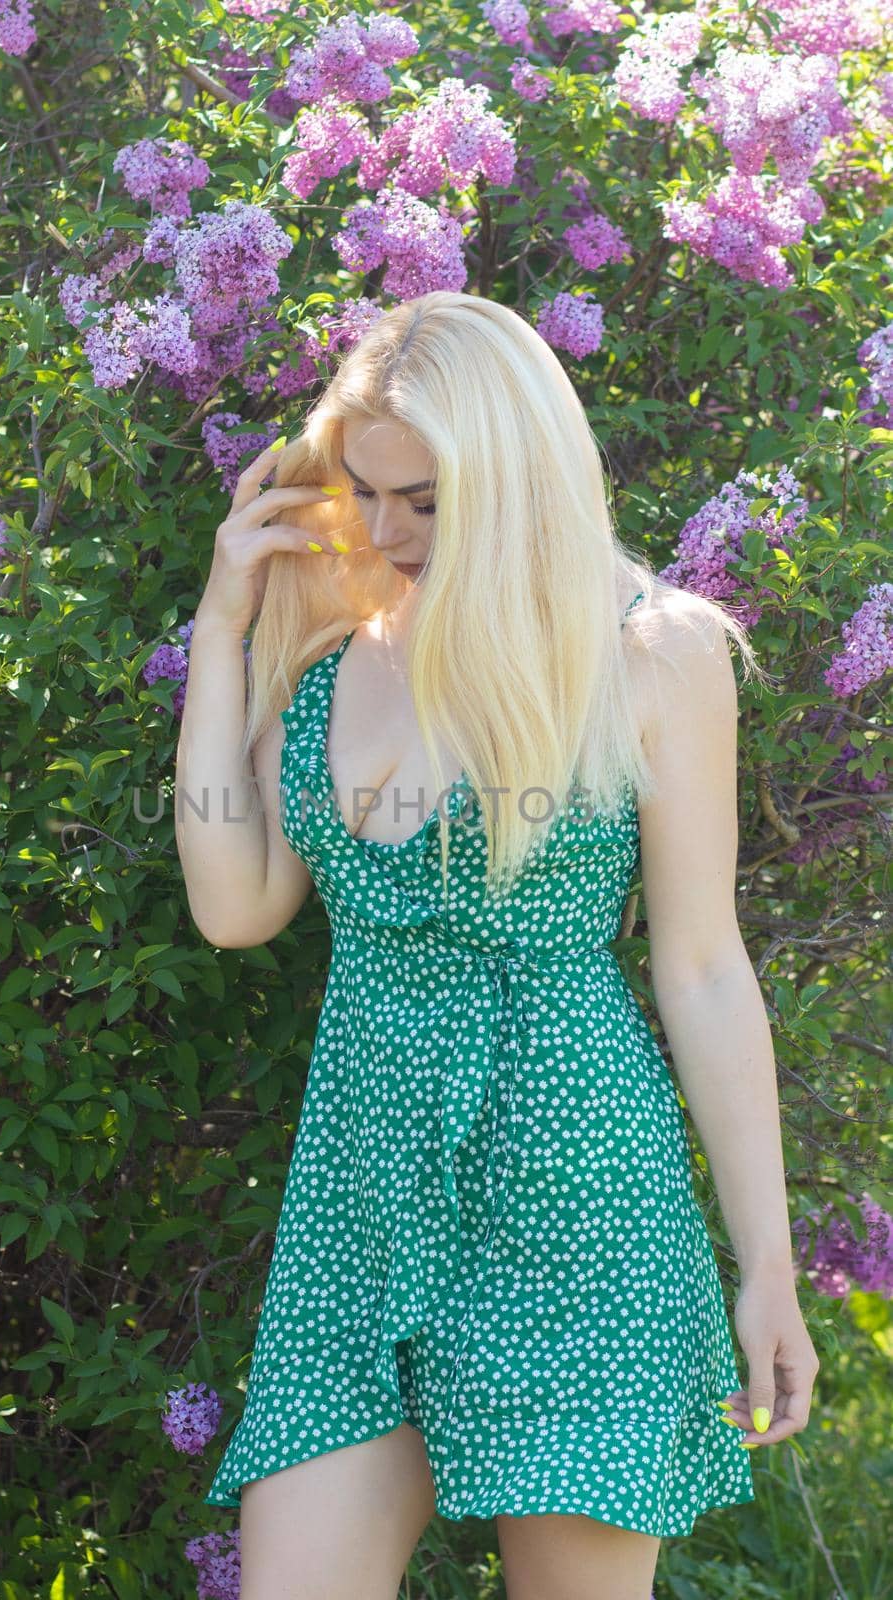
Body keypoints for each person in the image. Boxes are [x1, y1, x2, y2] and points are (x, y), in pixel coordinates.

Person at [174, 291, 819, 1600]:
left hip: (581, 1216)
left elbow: (700, 967)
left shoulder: (651, 656)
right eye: (368, 493)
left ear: (515, 476)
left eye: (426, 499)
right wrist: (225, 626)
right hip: (357, 1222)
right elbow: (234, 905)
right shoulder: (327, 648)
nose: (390, 531)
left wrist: (769, 1268)